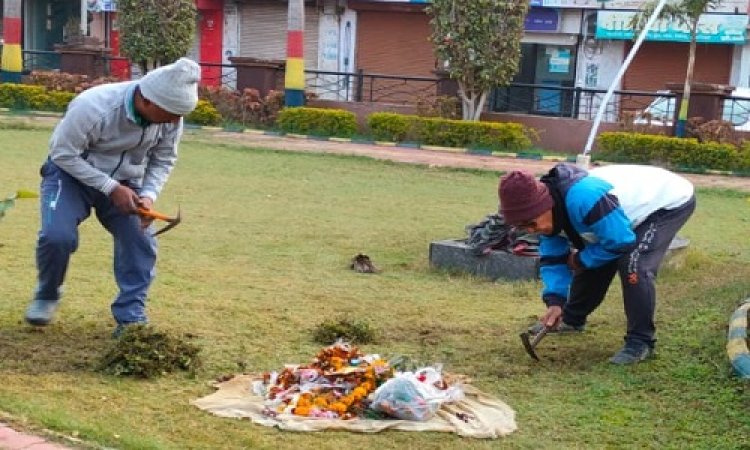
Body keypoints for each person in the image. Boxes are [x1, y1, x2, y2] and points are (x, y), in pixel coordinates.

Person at [24, 57, 201, 336]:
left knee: (140, 241)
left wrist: (148, 195)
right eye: (171, 114)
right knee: (57, 237)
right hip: (70, 174)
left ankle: (131, 318)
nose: (175, 122)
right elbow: (62, 154)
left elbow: (163, 158)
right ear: (147, 102)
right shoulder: (94, 106)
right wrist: (110, 187)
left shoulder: (169, 116)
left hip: (127, 183)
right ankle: (47, 293)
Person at [498, 163, 696, 365]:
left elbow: (621, 241)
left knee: (633, 264)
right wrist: (555, 302)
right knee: (593, 252)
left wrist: (581, 259)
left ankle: (641, 341)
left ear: (545, 205)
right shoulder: (548, 216)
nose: (531, 230)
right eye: (523, 227)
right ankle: (571, 318)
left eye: (532, 223)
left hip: (665, 202)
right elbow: (554, 260)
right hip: (615, 216)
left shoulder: (584, 199)